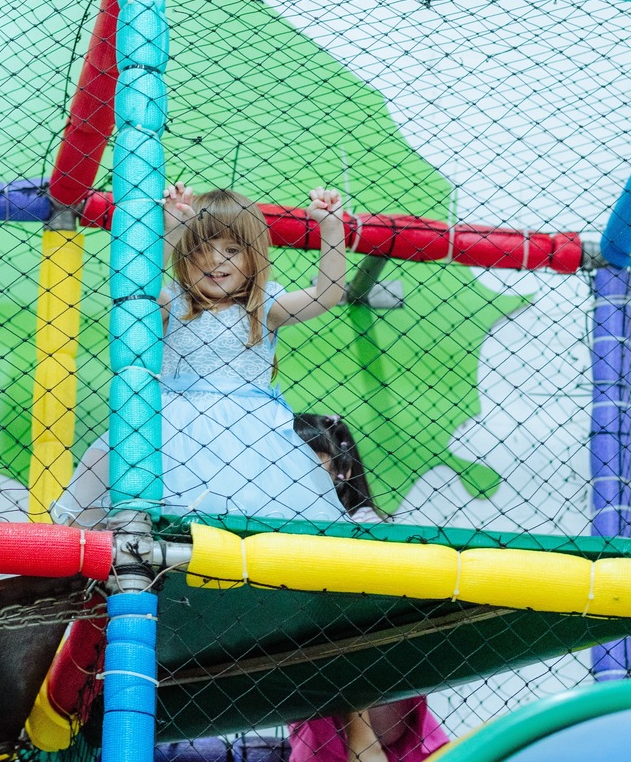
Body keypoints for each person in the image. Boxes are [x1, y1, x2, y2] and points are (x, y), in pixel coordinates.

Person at [52, 183, 349, 527]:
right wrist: (171, 230)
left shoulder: (265, 307)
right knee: (100, 510)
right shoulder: (172, 302)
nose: (214, 260)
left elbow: (327, 294)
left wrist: (330, 227)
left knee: (249, 520)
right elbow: (134, 287)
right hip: (166, 429)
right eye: (200, 249)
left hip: (247, 440)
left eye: (232, 249)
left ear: (254, 257)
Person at [288, 414, 449, 762]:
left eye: (309, 459)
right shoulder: (284, 521)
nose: (297, 470)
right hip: (322, 691)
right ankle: (361, 738)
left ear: (340, 470)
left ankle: (363, 738)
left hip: (383, 674)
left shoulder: (362, 523)